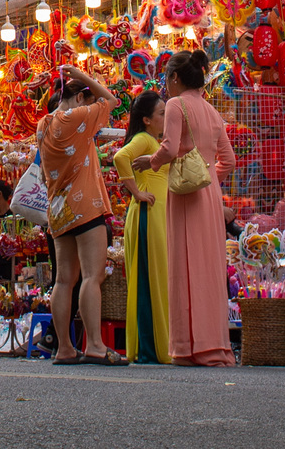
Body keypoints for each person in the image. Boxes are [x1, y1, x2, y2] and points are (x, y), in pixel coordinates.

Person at [145, 48, 237, 366]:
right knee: (209, 268)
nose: (165, 85)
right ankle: (216, 345)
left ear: (175, 78)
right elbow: (230, 160)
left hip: (185, 196)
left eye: (166, 78)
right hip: (210, 196)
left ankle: (188, 347)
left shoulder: (175, 104)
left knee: (184, 266)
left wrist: (151, 162)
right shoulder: (211, 111)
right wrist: (207, 174)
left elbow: (169, 148)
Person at [38, 64, 126, 365]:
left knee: (64, 280)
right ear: (78, 100)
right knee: (92, 275)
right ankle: (96, 346)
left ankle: (64, 348)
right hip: (86, 205)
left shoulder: (44, 124)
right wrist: (83, 76)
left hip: (59, 209)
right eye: (85, 100)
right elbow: (111, 101)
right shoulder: (77, 117)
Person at [114, 90, 170, 364]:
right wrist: (136, 192)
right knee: (151, 279)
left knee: (158, 276)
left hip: (156, 213)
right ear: (147, 120)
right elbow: (120, 157)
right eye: (161, 114)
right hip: (148, 212)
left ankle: (157, 346)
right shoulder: (144, 139)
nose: (166, 118)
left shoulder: (153, 141)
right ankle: (151, 348)